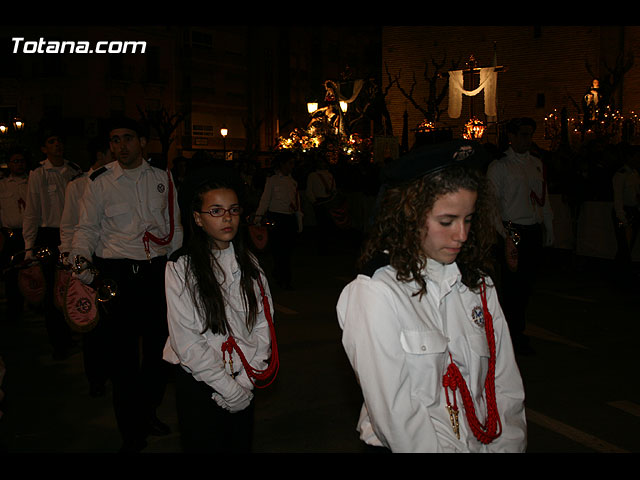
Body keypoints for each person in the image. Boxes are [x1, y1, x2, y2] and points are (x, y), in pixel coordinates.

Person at [336, 139, 526, 453]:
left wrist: (506, 448)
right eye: (446, 221)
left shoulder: (478, 284)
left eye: (468, 219)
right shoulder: (376, 292)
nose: (462, 235)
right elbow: (396, 413)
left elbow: (504, 383)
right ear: (410, 213)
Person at [70, 116, 183, 453]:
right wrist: (78, 262)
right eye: (115, 139)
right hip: (116, 276)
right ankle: (131, 433)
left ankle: (146, 411)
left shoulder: (163, 178)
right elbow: (86, 229)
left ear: (143, 142)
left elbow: (174, 227)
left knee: (159, 355)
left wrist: (175, 270)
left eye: (128, 138)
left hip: (156, 274)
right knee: (122, 360)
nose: (120, 146)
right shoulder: (99, 182)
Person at [163, 166, 275, 453]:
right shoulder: (181, 267)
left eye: (233, 210)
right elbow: (186, 341)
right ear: (198, 219)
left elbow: (264, 324)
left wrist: (246, 383)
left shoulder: (250, 263)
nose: (227, 217)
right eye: (215, 210)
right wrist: (228, 389)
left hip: (245, 376)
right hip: (201, 382)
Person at [486, 117, 553, 355]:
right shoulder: (500, 166)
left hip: (532, 228)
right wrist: (503, 234)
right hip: (512, 229)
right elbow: (492, 202)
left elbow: (543, 198)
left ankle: (518, 331)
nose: (527, 139)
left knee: (527, 285)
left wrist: (549, 227)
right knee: (513, 286)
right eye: (522, 135)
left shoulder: (535, 163)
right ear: (511, 138)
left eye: (529, 134)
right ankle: (512, 337)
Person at [59, 135, 113, 397]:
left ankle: (115, 371)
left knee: (114, 323)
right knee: (92, 322)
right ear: (102, 154)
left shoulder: (117, 182)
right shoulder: (78, 185)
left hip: (113, 260)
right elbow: (69, 226)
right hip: (89, 262)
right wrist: (73, 264)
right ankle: (96, 378)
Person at [22, 128, 82, 359]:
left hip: (74, 234)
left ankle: (71, 329)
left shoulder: (74, 171)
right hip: (49, 234)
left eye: (59, 140)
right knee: (52, 289)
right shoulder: (38, 174)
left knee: (72, 286)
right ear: (44, 148)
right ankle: (58, 341)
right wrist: (29, 245)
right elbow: (32, 212)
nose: (57, 144)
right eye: (51, 141)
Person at [255, 151, 301, 289]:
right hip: (277, 217)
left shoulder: (293, 182)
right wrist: (258, 216)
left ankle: (283, 275)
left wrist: (299, 221)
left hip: (289, 218)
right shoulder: (273, 180)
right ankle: (283, 277)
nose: (292, 167)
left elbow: (297, 203)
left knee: (288, 250)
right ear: (282, 164)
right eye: (289, 163)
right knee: (278, 249)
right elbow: (265, 200)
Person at [0, 148, 29, 320]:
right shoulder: (3, 185)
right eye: (15, 161)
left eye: (21, 161)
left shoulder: (32, 181)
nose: (19, 164)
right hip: (11, 234)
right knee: (11, 273)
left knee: (31, 271)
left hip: (29, 233)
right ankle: (14, 307)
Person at [611, 144, 640, 284]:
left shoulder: (635, 173)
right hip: (624, 211)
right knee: (624, 244)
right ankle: (621, 275)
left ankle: (622, 273)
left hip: (633, 210)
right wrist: (622, 217)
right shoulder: (620, 175)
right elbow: (618, 198)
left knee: (629, 244)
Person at [305, 155, 337, 254]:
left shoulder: (330, 175)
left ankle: (327, 245)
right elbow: (309, 190)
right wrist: (314, 201)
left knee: (329, 225)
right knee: (321, 225)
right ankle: (322, 246)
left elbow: (334, 189)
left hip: (329, 201)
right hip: (320, 202)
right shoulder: (313, 175)